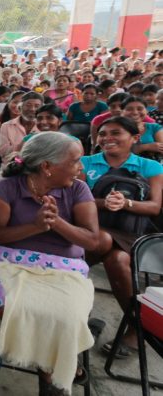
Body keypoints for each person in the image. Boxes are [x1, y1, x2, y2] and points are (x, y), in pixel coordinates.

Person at [0, 132, 108, 395]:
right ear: (47, 167)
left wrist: (57, 223)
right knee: (19, 309)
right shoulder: (7, 187)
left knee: (67, 316)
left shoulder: (78, 188)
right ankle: (58, 370)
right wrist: (35, 226)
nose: (80, 167)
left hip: (65, 267)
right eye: (75, 160)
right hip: (10, 263)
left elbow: (92, 240)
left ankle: (50, 375)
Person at [81, 116, 163, 356]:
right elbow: (77, 200)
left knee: (117, 258)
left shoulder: (151, 167)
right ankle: (137, 326)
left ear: (135, 138)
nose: (107, 138)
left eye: (115, 133)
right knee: (111, 255)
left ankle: (134, 327)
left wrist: (125, 203)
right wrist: (103, 203)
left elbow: (154, 207)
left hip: (130, 231)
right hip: (92, 225)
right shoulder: (86, 163)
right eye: (103, 133)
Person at [0, 92, 42, 159]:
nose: (32, 109)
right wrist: (21, 145)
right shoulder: (6, 126)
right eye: (28, 105)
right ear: (20, 107)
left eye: (37, 106)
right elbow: (2, 152)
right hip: (13, 165)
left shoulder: (44, 126)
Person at [121, 97, 163, 161]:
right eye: (129, 109)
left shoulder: (154, 127)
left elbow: (161, 149)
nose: (135, 112)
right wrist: (145, 147)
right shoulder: (116, 129)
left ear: (146, 111)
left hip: (152, 167)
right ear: (122, 112)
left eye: (140, 109)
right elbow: (117, 152)